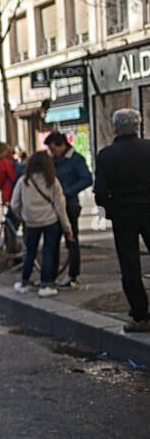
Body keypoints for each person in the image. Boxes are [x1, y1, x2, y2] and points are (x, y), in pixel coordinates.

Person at [94, 108, 150, 332]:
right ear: (137, 126)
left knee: (130, 265)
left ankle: (140, 314)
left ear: (115, 127)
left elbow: (100, 192)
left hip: (123, 215)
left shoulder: (107, 155)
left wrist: (111, 207)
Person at [9, 151, 70, 297]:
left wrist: (23, 215)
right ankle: (46, 285)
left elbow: (14, 204)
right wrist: (67, 227)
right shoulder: (52, 181)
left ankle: (24, 282)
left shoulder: (24, 181)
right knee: (49, 252)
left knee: (30, 252)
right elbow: (60, 206)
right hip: (51, 221)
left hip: (31, 222)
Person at [44, 131, 93, 289]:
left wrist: (67, 192)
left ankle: (73, 275)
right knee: (52, 240)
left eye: (53, 149)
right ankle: (51, 275)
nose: (52, 152)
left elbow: (86, 179)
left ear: (62, 145)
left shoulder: (75, 159)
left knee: (71, 240)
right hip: (53, 205)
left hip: (69, 204)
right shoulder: (54, 160)